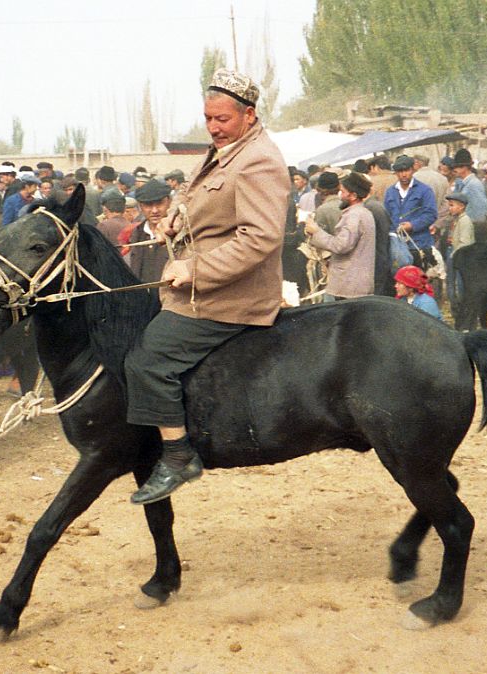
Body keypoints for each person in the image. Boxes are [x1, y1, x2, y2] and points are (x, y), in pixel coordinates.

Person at [124, 68, 290, 505]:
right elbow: (202, 199)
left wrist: (194, 269)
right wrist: (176, 217)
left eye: (223, 119)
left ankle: (179, 457)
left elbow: (260, 238)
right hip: (203, 286)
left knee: (148, 360)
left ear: (249, 115)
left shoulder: (260, 161)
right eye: (208, 118)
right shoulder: (223, 152)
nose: (213, 127)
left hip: (232, 295)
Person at [304, 171, 376, 301]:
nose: (340, 196)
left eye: (343, 192)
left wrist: (316, 232)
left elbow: (341, 246)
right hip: (353, 283)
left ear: (353, 195)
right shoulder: (362, 213)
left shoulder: (355, 216)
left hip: (350, 285)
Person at [384, 155, 437, 269]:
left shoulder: (425, 190)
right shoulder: (390, 192)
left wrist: (412, 225)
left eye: (406, 170)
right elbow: (386, 217)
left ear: (412, 170)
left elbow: (431, 214)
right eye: (400, 171)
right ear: (396, 173)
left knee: (419, 282)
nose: (403, 174)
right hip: (398, 247)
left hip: (418, 245)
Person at [126, 181, 172, 283]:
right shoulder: (136, 234)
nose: (154, 210)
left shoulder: (177, 234)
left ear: (169, 202)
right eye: (148, 205)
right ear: (140, 206)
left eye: (159, 203)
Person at [444, 191, 474, 304]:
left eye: (452, 205)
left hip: (459, 255)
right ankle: (455, 306)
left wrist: (454, 255)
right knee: (450, 281)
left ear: (461, 207)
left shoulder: (465, 221)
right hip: (452, 252)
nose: (449, 208)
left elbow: (465, 243)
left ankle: (460, 305)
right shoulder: (456, 219)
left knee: (459, 283)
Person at [451, 149, 487, 224]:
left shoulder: (473, 185)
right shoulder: (463, 183)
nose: (454, 169)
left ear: (465, 167)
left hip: (471, 226)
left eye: (457, 167)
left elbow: (480, 212)